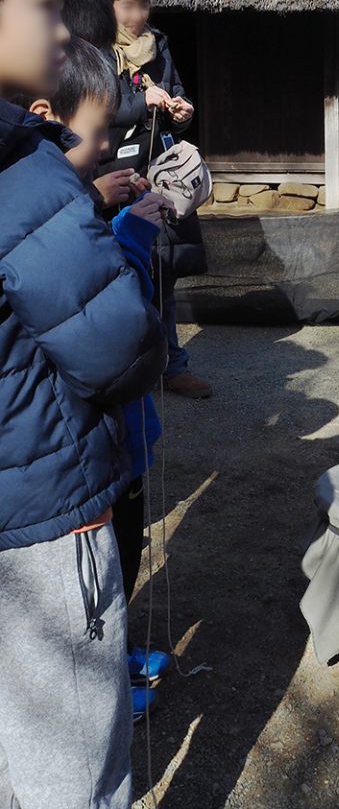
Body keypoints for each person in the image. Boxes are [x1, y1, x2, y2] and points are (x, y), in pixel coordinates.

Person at [0, 0, 166, 808]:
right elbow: (116, 350)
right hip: (39, 516)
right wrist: (128, 235)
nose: (63, 30)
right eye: (43, 7)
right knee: (69, 765)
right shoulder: (21, 175)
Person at [29, 36, 174, 723]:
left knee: (122, 557)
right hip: (90, 451)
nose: (112, 147)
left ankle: (114, 656)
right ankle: (105, 685)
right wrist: (133, 237)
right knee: (97, 573)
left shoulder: (61, 204)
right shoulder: (44, 222)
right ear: (46, 122)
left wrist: (101, 202)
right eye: (100, 133)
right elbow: (115, 330)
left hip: (110, 445)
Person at [94, 0, 212, 400]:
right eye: (127, 6)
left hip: (158, 174)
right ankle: (123, 367)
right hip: (112, 174)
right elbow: (97, 108)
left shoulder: (157, 45)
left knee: (162, 272)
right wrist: (142, 101)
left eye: (142, 5)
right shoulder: (92, 49)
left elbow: (175, 95)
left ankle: (171, 366)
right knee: (120, 272)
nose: (137, 15)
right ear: (106, 5)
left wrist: (182, 111)